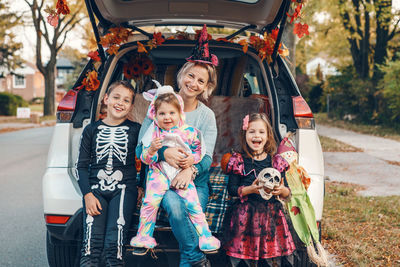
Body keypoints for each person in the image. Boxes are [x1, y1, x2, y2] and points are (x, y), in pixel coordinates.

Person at [135, 25, 218, 267]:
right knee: (172, 202)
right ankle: (194, 258)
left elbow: (207, 158)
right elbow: (140, 151)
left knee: (183, 206)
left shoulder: (206, 116)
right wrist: (163, 151)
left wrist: (188, 170)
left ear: (206, 87)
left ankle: (189, 259)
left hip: (194, 181)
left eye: (201, 80)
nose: (193, 83)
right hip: (160, 178)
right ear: (181, 75)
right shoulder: (161, 106)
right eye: (191, 75)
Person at [130, 83, 220, 254]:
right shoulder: (152, 132)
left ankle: (206, 237)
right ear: (154, 115)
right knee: (150, 204)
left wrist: (190, 161)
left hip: (182, 174)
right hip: (159, 175)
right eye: (162, 113)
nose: (167, 117)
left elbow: (201, 151)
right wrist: (152, 150)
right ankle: (143, 237)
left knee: (193, 205)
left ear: (180, 114)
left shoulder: (189, 132)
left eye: (172, 113)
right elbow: (145, 158)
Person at [76, 80, 141, 266]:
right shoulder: (91, 129)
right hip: (95, 190)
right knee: (90, 246)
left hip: (124, 189)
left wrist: (142, 186)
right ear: (106, 99)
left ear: (131, 106)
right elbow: (80, 166)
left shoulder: (136, 130)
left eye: (126, 100)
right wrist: (87, 194)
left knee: (115, 246)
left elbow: (146, 158)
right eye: (116, 97)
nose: (120, 103)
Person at [223, 113, 296, 267]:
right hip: (245, 217)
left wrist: (281, 190)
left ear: (268, 136)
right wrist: (250, 189)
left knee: (269, 257)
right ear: (245, 135)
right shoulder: (238, 160)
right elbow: (231, 189)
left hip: (271, 216)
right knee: (245, 257)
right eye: (252, 132)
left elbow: (287, 192)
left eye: (261, 132)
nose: (257, 136)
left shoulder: (276, 162)